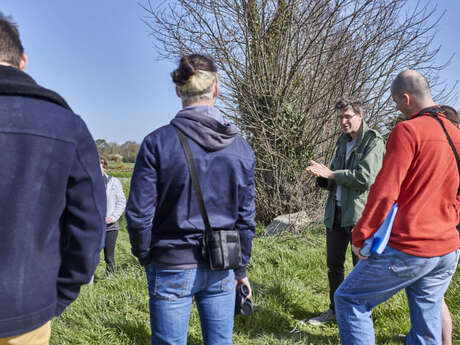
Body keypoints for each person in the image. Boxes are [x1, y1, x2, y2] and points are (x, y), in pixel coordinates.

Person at [126, 54, 256, 345]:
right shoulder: (241, 149)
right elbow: (246, 219)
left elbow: (138, 215)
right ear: (217, 89)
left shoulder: (156, 143)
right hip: (222, 262)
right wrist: (241, 268)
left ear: (177, 91)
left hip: (171, 261)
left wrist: (146, 255)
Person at [0, 13, 105, 345]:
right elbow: (89, 226)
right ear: (23, 60)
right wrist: (59, 293)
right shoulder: (66, 126)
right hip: (26, 308)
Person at [335, 70, 460, 345]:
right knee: (428, 327)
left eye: (394, 101)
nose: (395, 108)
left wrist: (361, 235)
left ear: (405, 98)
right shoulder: (455, 133)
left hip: (412, 246)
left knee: (349, 299)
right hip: (447, 249)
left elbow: (385, 190)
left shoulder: (408, 130)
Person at [305, 96, 385, 325]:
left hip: (360, 215)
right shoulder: (342, 140)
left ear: (361, 115)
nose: (343, 121)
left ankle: (361, 316)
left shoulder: (373, 140)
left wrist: (331, 174)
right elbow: (336, 174)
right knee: (334, 264)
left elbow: (365, 177)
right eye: (340, 117)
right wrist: (322, 177)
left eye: (347, 116)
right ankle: (335, 310)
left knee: (360, 268)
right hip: (336, 212)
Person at [100, 156, 126, 273]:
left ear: (104, 167)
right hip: (92, 227)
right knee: (90, 256)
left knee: (109, 257)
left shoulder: (114, 182)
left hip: (110, 227)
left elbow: (121, 202)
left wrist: (113, 217)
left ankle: (110, 281)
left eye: (99, 165)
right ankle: (87, 283)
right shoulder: (87, 182)